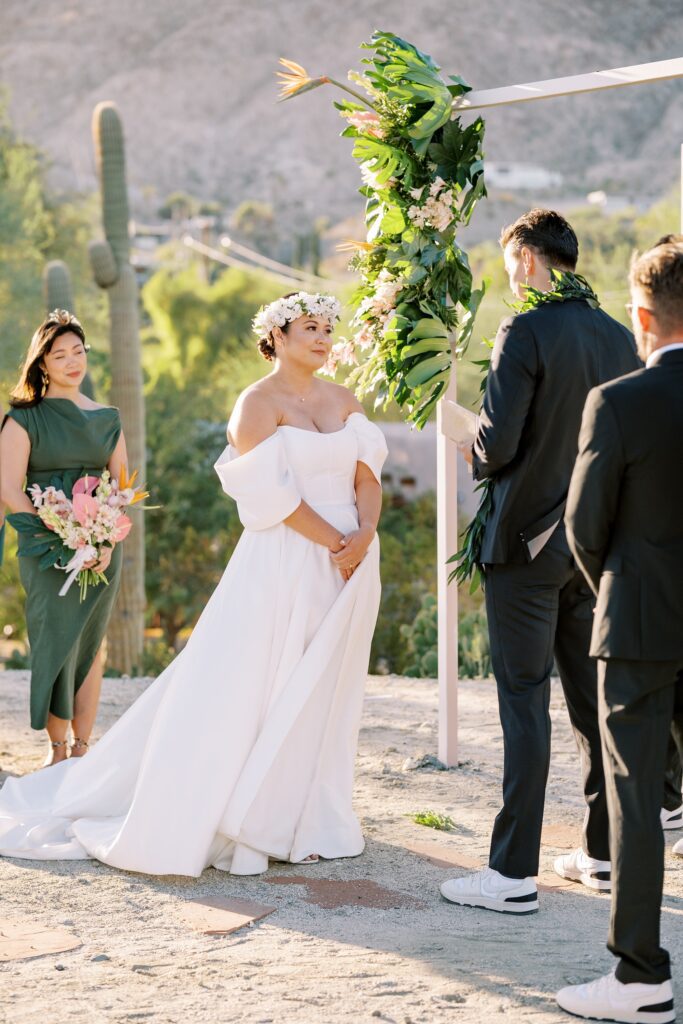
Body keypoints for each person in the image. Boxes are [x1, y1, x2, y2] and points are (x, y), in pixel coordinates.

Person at [0, 291, 387, 877]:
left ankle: (312, 811)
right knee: (271, 678)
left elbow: (367, 474)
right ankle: (254, 814)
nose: (324, 337)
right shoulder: (254, 404)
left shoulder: (344, 398)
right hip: (290, 555)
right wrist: (335, 541)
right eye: (311, 326)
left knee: (328, 684)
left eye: (328, 328)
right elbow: (268, 495)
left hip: (352, 559)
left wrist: (364, 534)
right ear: (278, 336)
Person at [440, 209, 640, 914]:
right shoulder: (620, 337)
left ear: (526, 258)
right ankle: (603, 855)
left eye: (506, 261)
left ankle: (510, 875)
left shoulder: (523, 329)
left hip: (525, 544)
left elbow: (496, 447)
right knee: (592, 705)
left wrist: (465, 437)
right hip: (592, 548)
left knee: (522, 700)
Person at [557, 242, 683, 1024]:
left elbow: (583, 527)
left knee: (637, 803)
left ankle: (640, 980)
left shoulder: (617, 402)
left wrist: (623, 586)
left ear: (640, 318)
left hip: (637, 624)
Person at [0, 311, 128, 766]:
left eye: (78, 352)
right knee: (56, 642)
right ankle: (56, 752)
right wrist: (55, 535)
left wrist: (104, 541)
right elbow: (10, 488)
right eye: (60, 355)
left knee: (91, 646)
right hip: (42, 548)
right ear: (42, 364)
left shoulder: (109, 417)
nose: (73, 362)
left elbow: (120, 486)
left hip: (98, 548)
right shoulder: (23, 419)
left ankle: (81, 750)